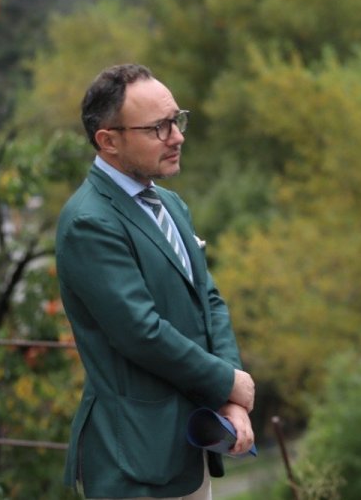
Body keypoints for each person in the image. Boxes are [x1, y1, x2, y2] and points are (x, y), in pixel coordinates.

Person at [56, 64, 255, 499]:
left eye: (177, 120)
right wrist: (226, 381)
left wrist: (231, 394)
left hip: (190, 444)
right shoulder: (90, 221)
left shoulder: (169, 203)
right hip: (133, 458)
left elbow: (209, 299)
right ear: (108, 141)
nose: (178, 137)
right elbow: (141, 333)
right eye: (158, 128)